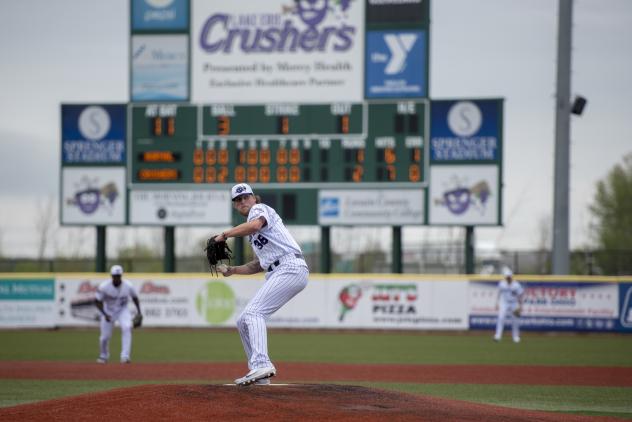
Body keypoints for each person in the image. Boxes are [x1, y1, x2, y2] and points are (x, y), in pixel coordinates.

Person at [214, 183, 309, 386]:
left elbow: (256, 225)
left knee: (253, 313)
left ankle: (261, 364)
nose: (242, 201)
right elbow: (258, 264)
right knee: (243, 321)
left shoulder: (259, 209)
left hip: (289, 266)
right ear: (235, 205)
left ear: (254, 197)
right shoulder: (252, 232)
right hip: (279, 269)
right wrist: (233, 271)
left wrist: (225, 234)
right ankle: (259, 375)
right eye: (237, 200)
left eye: (245, 197)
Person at [95, 265, 141, 363]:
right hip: (108, 311)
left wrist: (139, 312)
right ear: (111, 276)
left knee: (127, 327)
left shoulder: (128, 285)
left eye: (118, 275)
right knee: (104, 337)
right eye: (115, 276)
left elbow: (135, 298)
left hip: (122, 311)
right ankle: (103, 355)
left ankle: (125, 356)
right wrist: (104, 313)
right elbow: (97, 301)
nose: (117, 277)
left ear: (121, 275)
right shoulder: (104, 286)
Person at [493, 267, 524, 343]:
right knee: (501, 317)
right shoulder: (502, 284)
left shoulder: (516, 285)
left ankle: (515, 337)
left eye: (509, 276)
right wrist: (497, 303)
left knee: (515, 320)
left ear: (511, 276)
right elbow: (499, 293)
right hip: (504, 302)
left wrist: (520, 306)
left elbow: (520, 295)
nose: (508, 278)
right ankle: (498, 336)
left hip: (514, 303)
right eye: (507, 276)